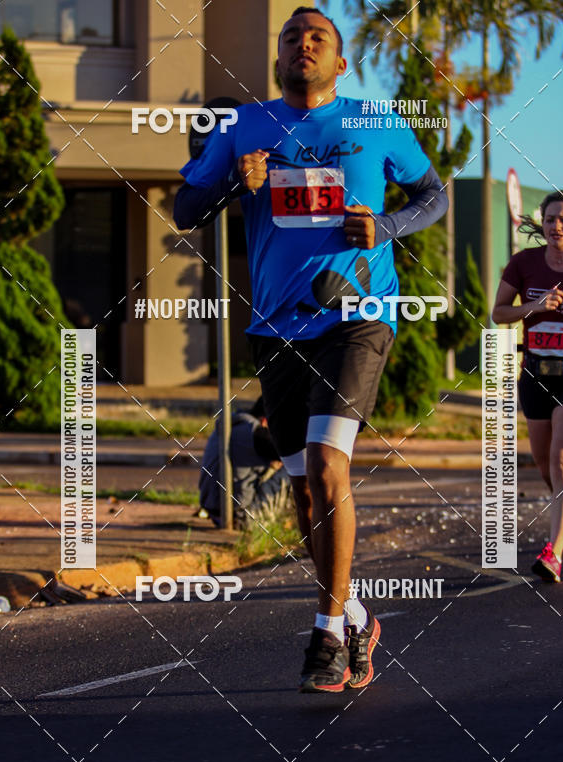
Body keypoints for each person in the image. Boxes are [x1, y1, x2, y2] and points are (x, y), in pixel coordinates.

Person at [174, 6, 448, 691]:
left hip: (358, 314)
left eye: (317, 37)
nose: (303, 45)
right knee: (303, 492)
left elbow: (433, 195)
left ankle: (325, 635)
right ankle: (354, 611)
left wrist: (385, 225)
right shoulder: (244, 126)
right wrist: (239, 183)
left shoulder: (374, 120)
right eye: (292, 37)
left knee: (329, 464)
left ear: (341, 62)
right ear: (278, 58)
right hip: (276, 326)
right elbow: (184, 211)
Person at [492, 191, 563, 582]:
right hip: (536, 370)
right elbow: (499, 313)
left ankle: (554, 554)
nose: (556, 227)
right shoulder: (524, 264)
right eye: (550, 220)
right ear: (543, 224)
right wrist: (535, 307)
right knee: (546, 467)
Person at [199, 397, 289, 528]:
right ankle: (309, 525)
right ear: (265, 420)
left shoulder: (232, 425)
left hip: (216, 513)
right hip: (241, 518)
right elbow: (290, 452)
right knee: (296, 467)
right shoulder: (258, 434)